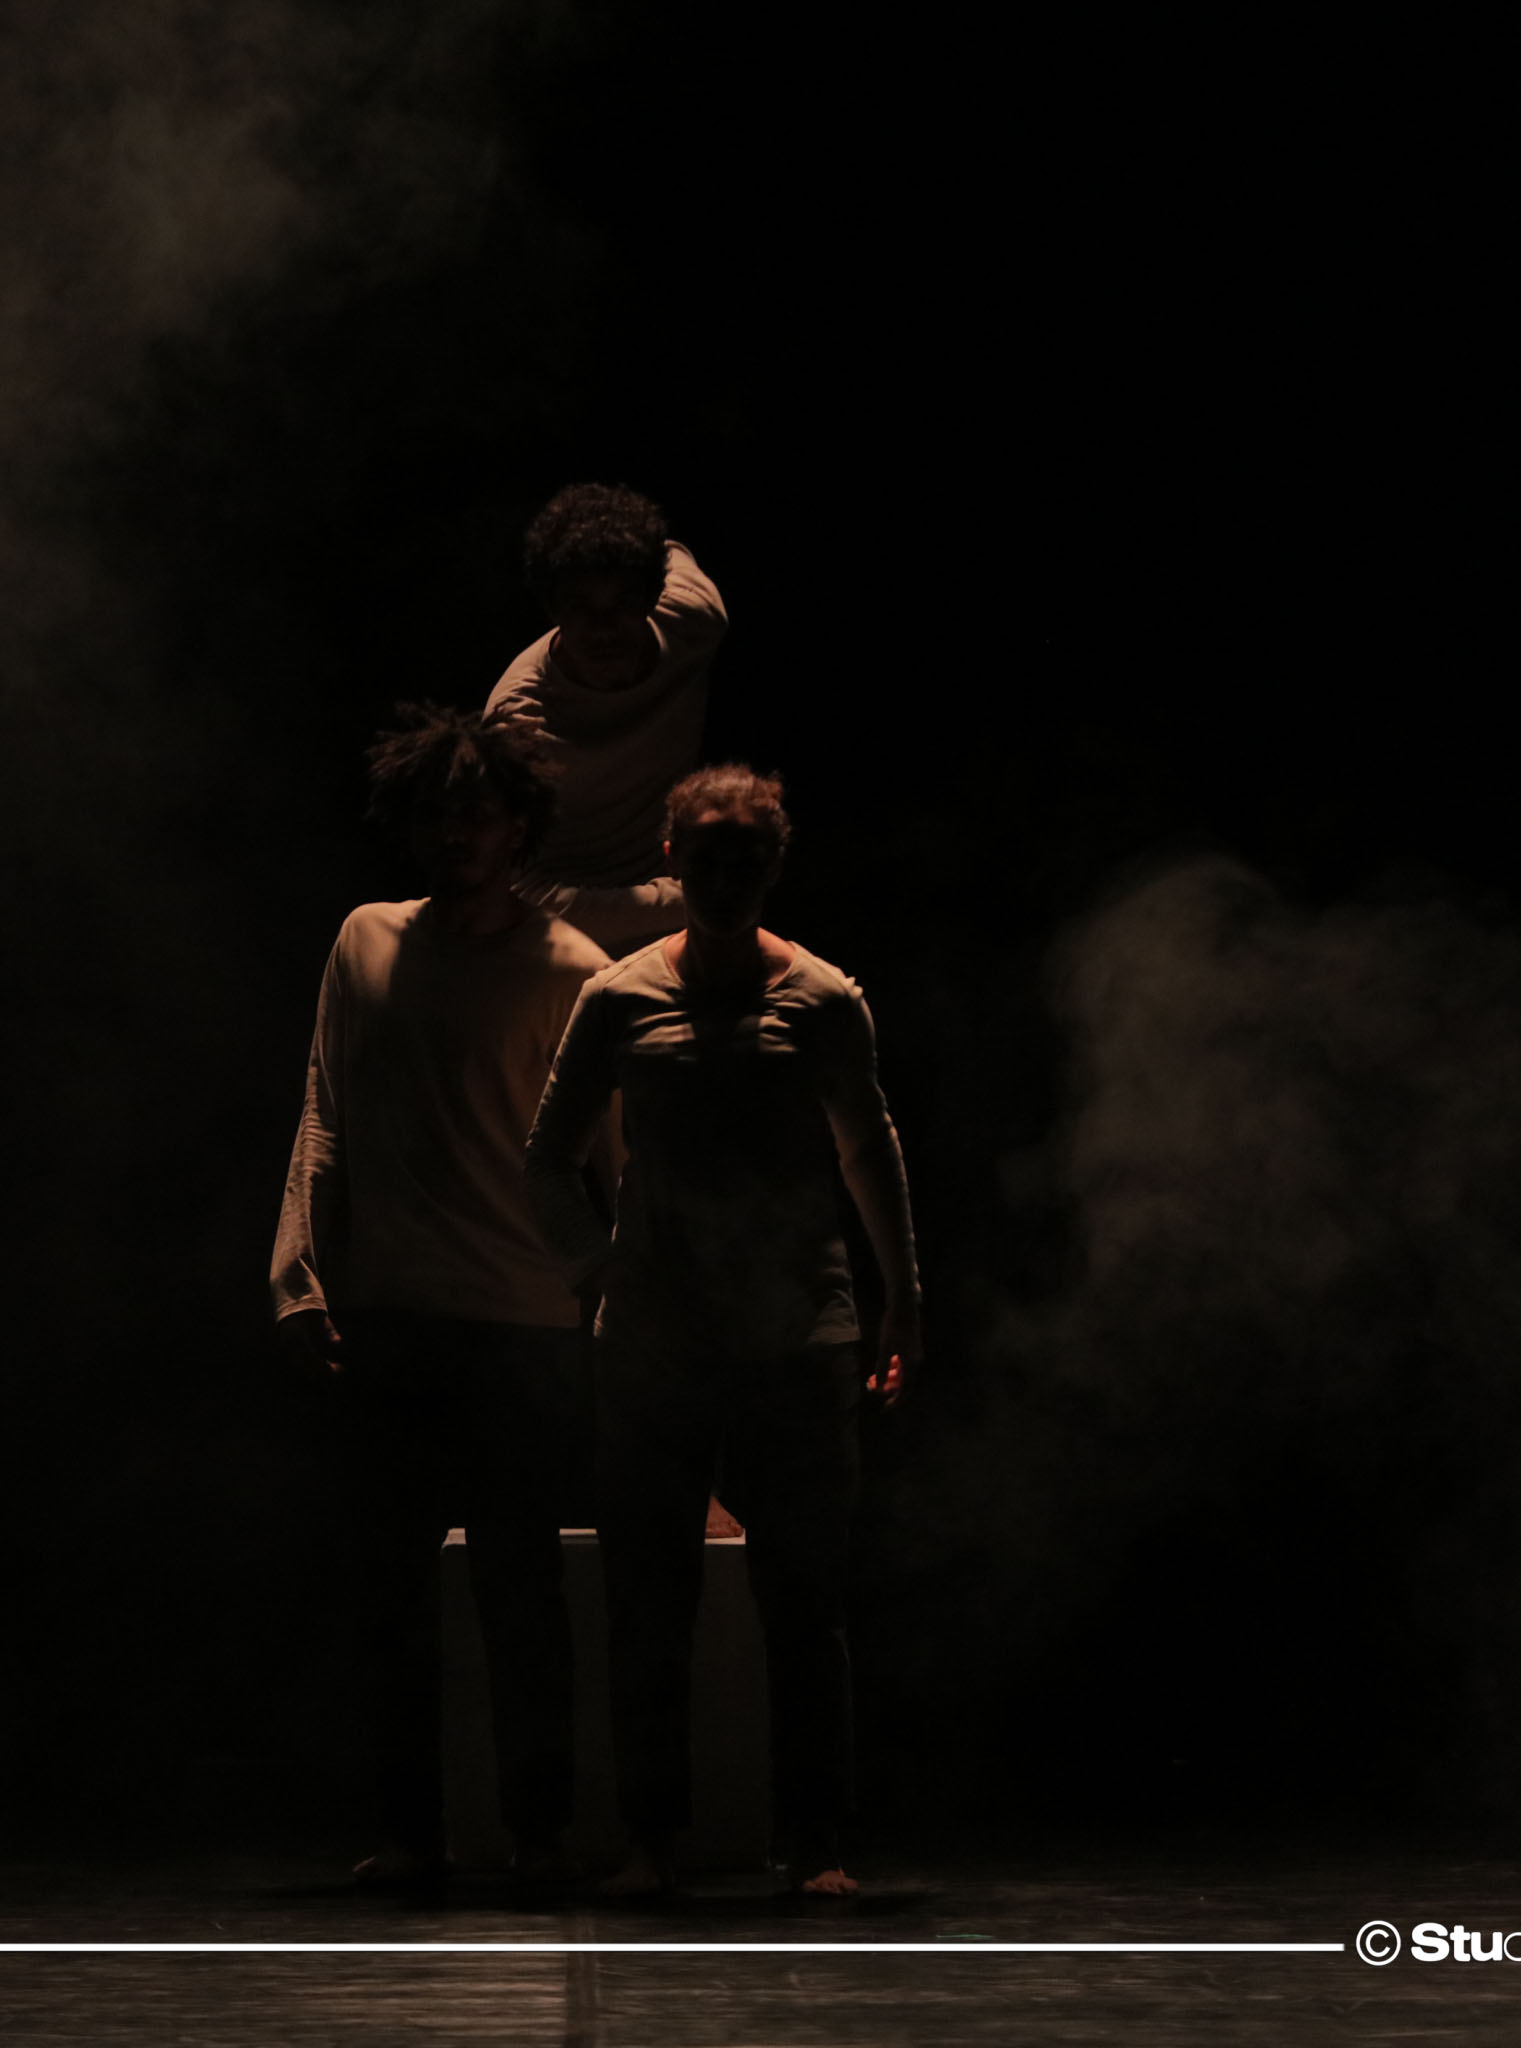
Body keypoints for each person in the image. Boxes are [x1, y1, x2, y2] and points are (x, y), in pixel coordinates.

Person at [523, 764, 920, 1899]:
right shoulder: (619, 996)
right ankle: (653, 1838)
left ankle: (818, 1841)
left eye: (745, 856)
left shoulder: (824, 998)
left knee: (806, 1598)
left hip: (796, 1338)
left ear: (773, 863)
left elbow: (868, 1148)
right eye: (705, 854)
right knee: (649, 1599)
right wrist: (598, 1266)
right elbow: (547, 1156)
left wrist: (903, 1298)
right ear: (673, 860)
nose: (724, 874)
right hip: (658, 1345)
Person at [271, 705, 620, 1888]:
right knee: (389, 1591)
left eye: (479, 810)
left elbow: (612, 1162)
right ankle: (409, 1832)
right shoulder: (364, 938)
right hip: (392, 1313)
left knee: (523, 1589)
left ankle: (540, 1832)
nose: (458, 831)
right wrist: (296, 1272)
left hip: (524, 1320)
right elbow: (324, 1106)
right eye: (439, 812)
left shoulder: (574, 971)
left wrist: (618, 1303)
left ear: (520, 824)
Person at [482, 484, 728, 954]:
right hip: (565, 939)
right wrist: (687, 900)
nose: (603, 629)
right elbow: (517, 891)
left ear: (653, 595)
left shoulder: (694, 620)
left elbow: (668, 550)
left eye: (624, 602)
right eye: (580, 606)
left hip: (685, 918)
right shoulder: (520, 718)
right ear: (552, 608)